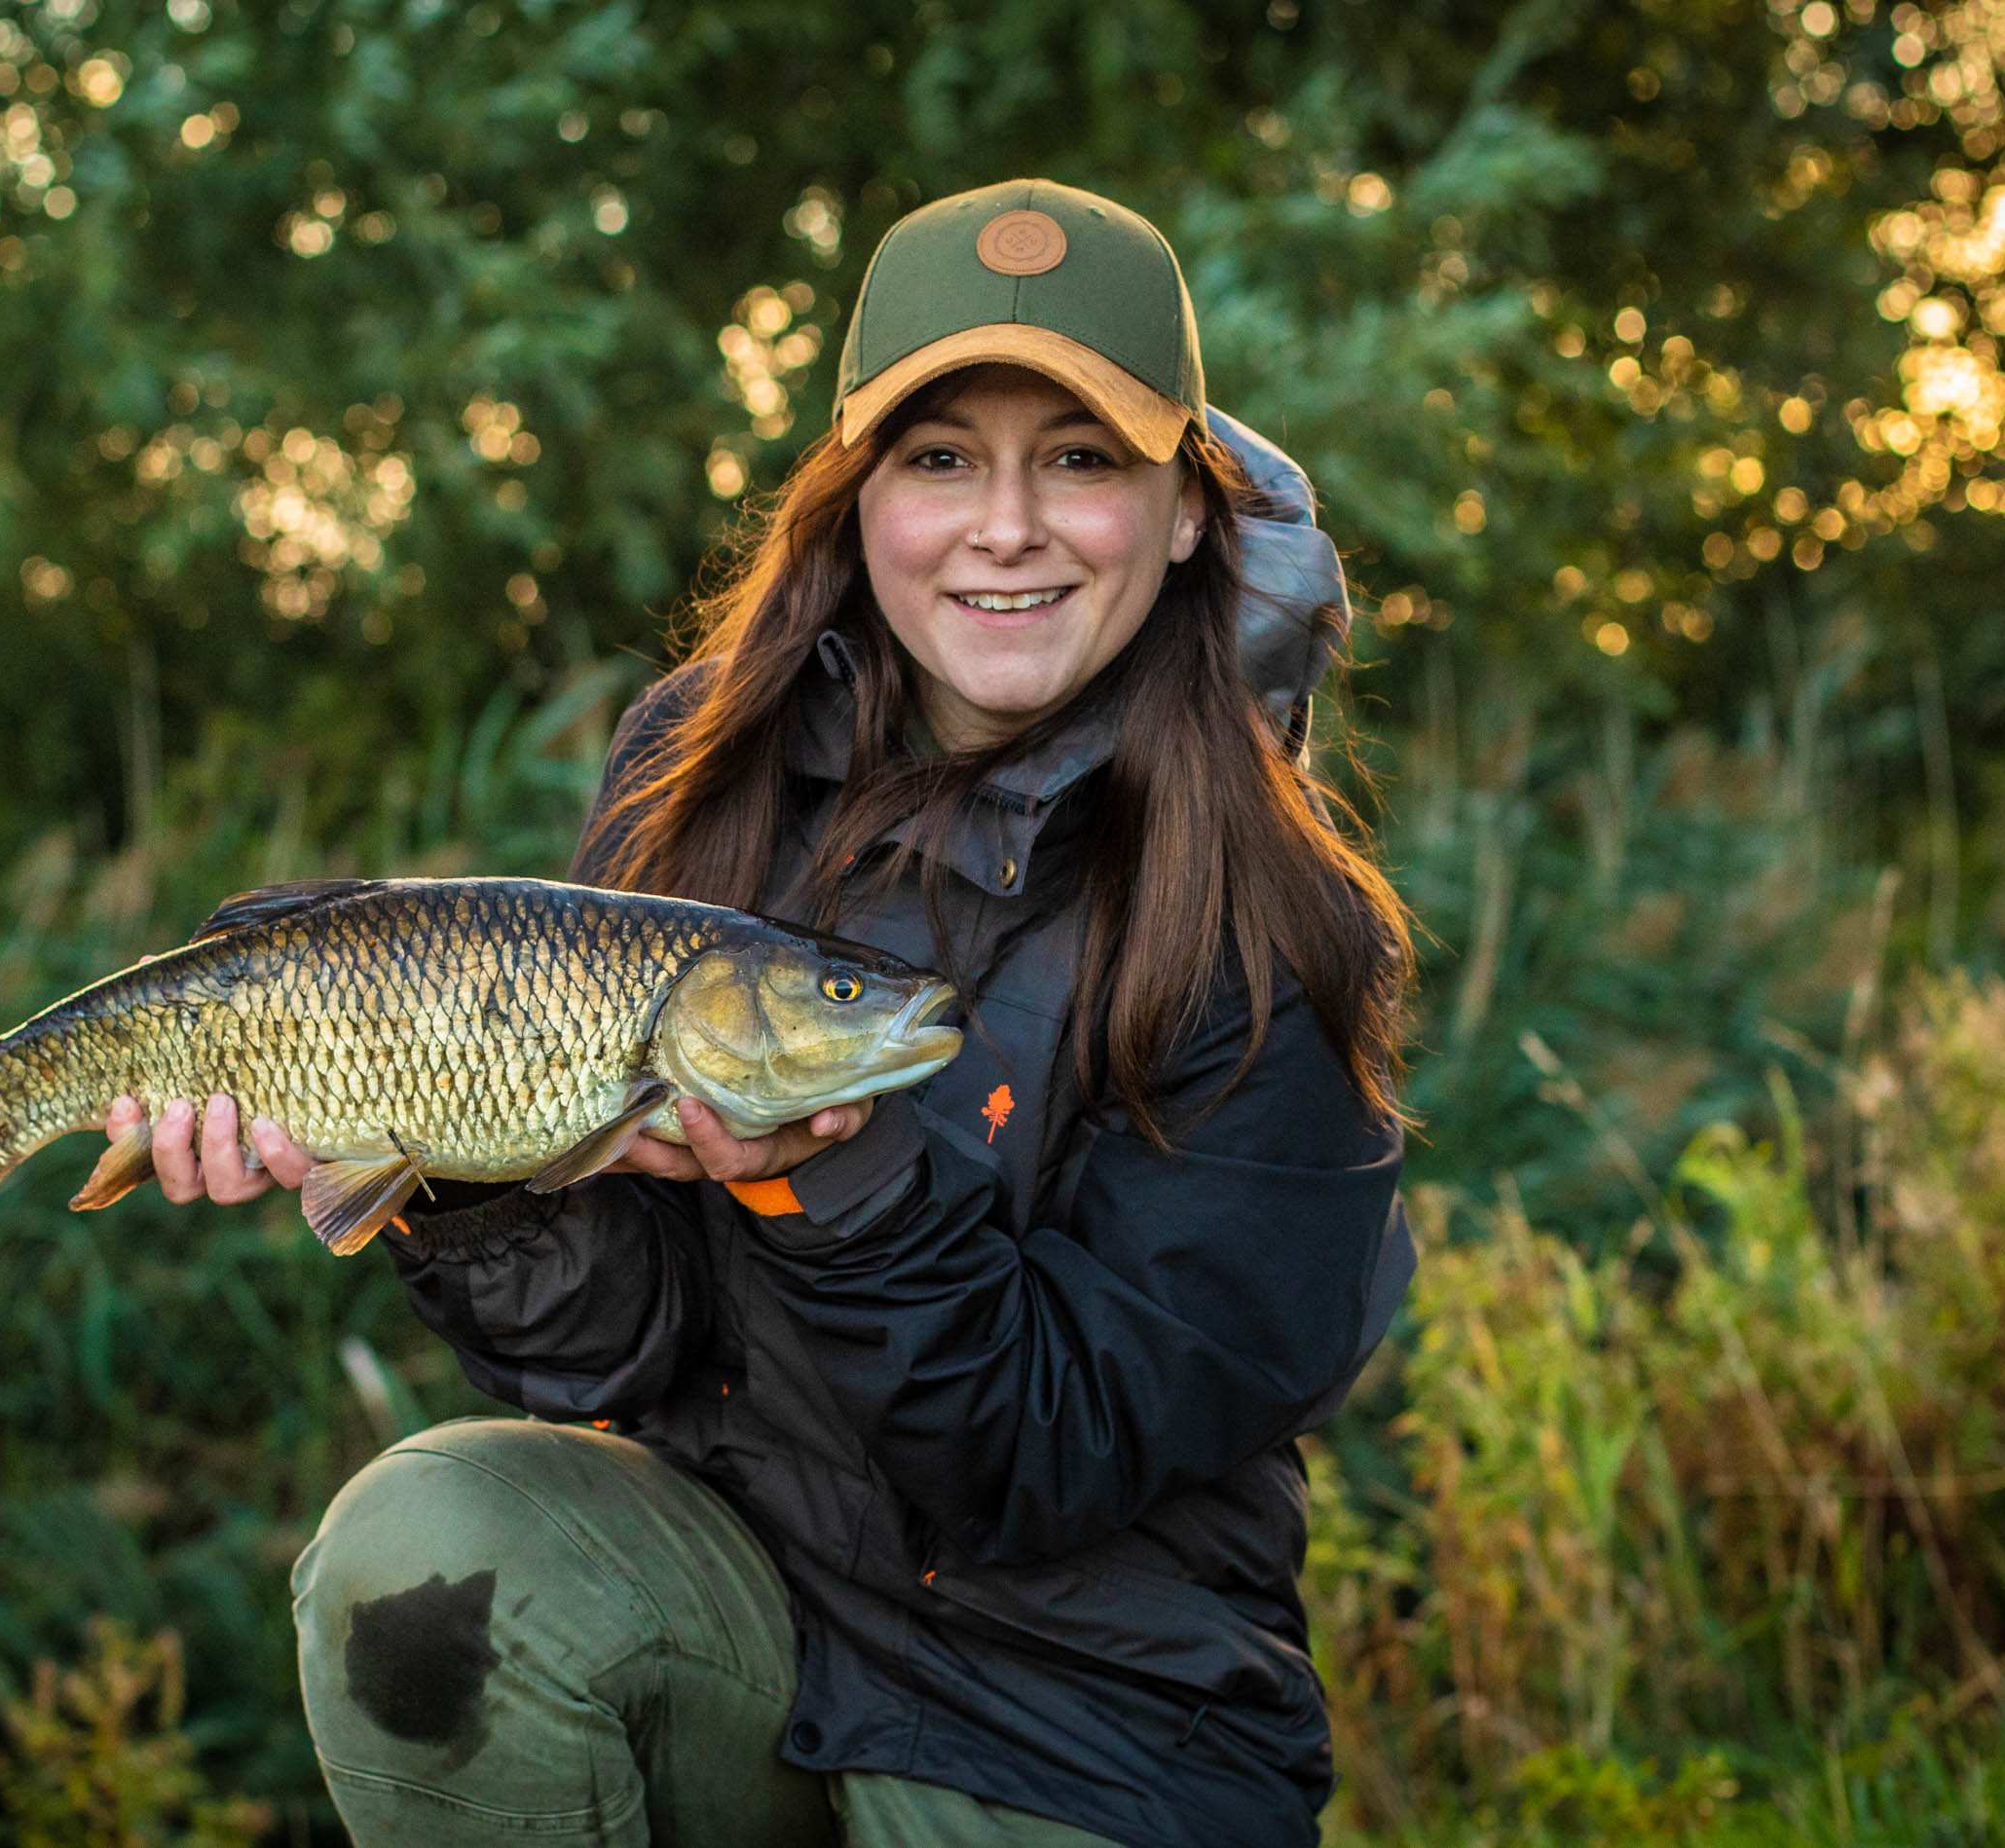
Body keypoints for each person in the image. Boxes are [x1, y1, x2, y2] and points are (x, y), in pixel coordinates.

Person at [101, 178, 1415, 1847]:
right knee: (419, 1546)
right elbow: (632, 1350)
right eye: (939, 458)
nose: (1003, 524)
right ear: (858, 499)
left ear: (1180, 514)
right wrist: (454, 1163)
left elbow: (1054, 1460)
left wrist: (831, 1176)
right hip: (748, 1617)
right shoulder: (695, 771)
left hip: (1087, 1721)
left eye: (1081, 459)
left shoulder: (1275, 922)